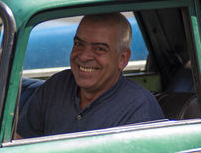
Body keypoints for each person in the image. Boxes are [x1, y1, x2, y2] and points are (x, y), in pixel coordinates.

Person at [17, 12, 164, 138]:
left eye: (99, 49)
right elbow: (20, 144)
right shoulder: (57, 85)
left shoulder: (139, 110)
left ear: (122, 59)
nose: (84, 56)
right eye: (78, 44)